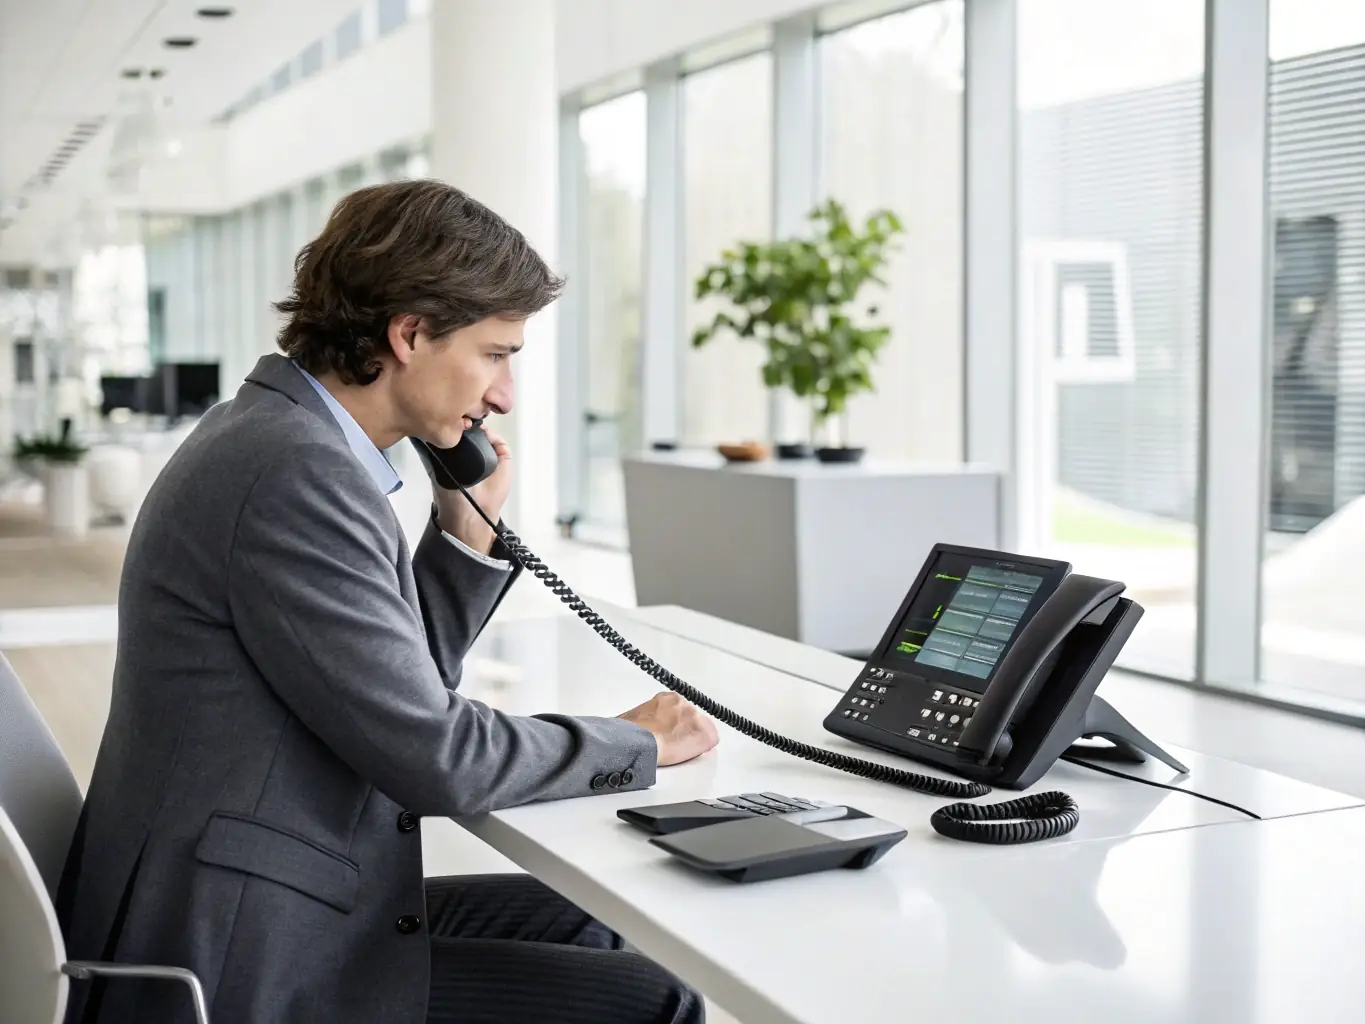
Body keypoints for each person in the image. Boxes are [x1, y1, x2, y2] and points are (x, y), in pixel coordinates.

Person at [56, 179, 719, 1024]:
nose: (504, 395)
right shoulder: (294, 473)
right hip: (240, 954)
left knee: (595, 927)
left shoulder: (280, 438)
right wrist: (637, 742)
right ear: (409, 333)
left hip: (273, 894)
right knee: (654, 1003)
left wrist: (462, 530)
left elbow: (393, 696)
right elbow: (435, 755)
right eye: (495, 353)